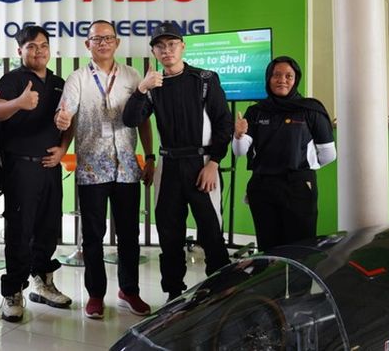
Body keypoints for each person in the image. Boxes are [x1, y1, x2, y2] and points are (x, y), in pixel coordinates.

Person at [122, 22, 232, 302]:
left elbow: (224, 124)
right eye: (160, 46)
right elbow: (130, 120)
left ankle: (221, 294)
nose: (167, 50)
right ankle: (173, 294)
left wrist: (214, 163)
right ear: (154, 52)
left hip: (202, 164)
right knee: (169, 235)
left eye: (172, 44)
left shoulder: (205, 79)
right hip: (168, 166)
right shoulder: (153, 85)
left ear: (182, 46)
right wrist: (141, 89)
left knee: (211, 233)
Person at [55, 20, 154, 320]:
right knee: (93, 235)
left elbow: (143, 119)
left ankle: (129, 290)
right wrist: (62, 123)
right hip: (91, 168)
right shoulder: (78, 78)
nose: (103, 43)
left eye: (108, 38)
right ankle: (96, 295)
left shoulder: (132, 76)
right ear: (88, 44)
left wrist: (149, 156)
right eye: (97, 39)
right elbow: (66, 114)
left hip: (127, 168)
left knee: (129, 233)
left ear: (117, 42)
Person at [0, 26, 73, 323]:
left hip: (50, 166)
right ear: (19, 51)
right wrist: (18, 103)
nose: (39, 51)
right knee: (20, 229)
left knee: (48, 226)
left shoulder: (59, 83)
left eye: (43, 45)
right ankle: (13, 291)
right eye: (31, 46)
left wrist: (63, 150)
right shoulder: (12, 80)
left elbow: (70, 120)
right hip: (20, 166)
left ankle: (43, 282)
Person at [233, 56, 336, 251]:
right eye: (277, 75)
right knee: (268, 248)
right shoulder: (256, 111)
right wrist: (238, 135)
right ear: (268, 78)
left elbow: (329, 154)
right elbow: (240, 151)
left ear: (295, 79)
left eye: (289, 76)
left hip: (298, 188)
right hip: (263, 187)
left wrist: (301, 166)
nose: (282, 80)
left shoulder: (311, 109)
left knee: (300, 249)